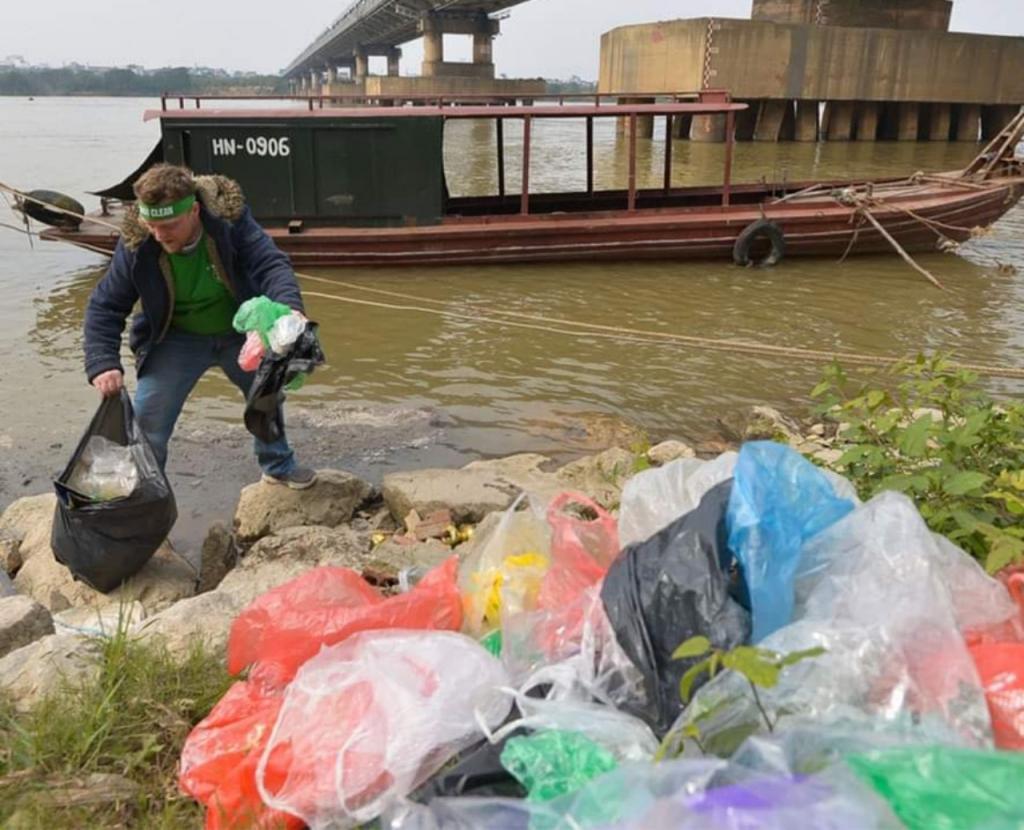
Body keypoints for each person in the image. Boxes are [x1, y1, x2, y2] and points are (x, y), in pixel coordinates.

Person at [83, 163, 317, 489]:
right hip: (176, 339)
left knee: (268, 393)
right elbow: (105, 305)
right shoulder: (137, 244)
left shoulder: (230, 222)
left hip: (239, 333)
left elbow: (270, 263)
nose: (160, 235)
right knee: (148, 417)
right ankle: (145, 493)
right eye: (152, 225)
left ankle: (277, 465)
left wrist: (291, 309)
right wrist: (102, 363)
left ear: (194, 210)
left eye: (169, 225)